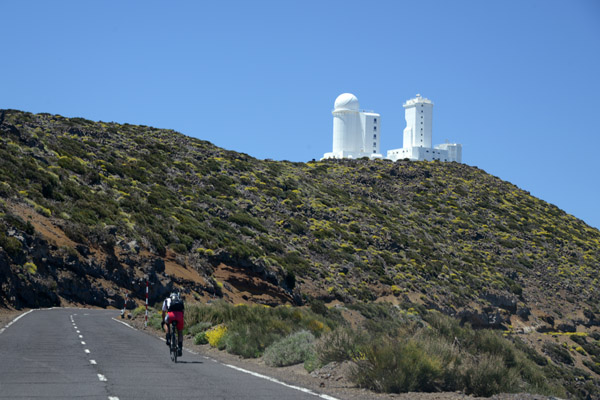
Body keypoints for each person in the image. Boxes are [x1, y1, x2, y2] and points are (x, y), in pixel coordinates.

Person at [161, 290, 185, 357]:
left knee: (166, 324)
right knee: (180, 332)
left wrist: (163, 320)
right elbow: (183, 311)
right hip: (180, 316)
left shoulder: (166, 300)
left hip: (170, 315)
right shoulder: (180, 300)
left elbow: (163, 312)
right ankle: (180, 347)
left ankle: (168, 338)